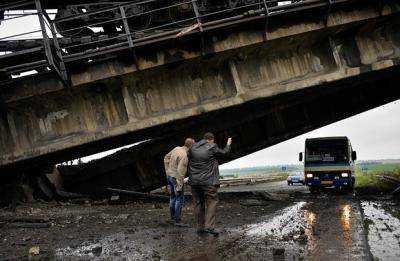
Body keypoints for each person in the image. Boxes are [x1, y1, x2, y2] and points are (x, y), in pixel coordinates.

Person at [188, 132, 232, 236]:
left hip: (194, 182)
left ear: (204, 138)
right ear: (211, 139)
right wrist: (228, 144)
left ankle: (200, 227)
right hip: (208, 181)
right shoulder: (212, 146)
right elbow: (224, 153)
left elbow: (188, 157)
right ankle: (210, 227)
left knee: (198, 203)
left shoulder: (192, 147)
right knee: (212, 202)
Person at [164, 138, 195, 226]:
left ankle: (172, 218)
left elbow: (166, 158)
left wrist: (168, 171)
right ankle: (177, 220)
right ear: (191, 146)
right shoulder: (184, 155)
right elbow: (181, 172)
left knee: (172, 197)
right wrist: (179, 185)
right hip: (176, 178)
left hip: (170, 176)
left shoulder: (176, 148)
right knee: (179, 199)